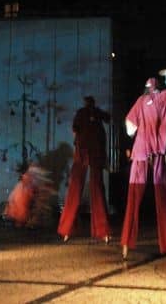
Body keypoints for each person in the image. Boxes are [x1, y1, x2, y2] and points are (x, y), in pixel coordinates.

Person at [121, 69, 166, 259]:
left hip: (143, 151)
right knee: (161, 195)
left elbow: (130, 125)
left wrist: (135, 131)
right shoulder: (161, 97)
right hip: (155, 150)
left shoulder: (143, 100)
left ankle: (127, 243)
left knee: (135, 196)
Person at [57, 96, 111, 244]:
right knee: (92, 189)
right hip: (89, 153)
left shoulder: (86, 113)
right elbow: (107, 119)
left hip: (87, 152)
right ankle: (101, 231)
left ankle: (69, 229)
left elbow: (75, 130)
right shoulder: (90, 113)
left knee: (80, 189)